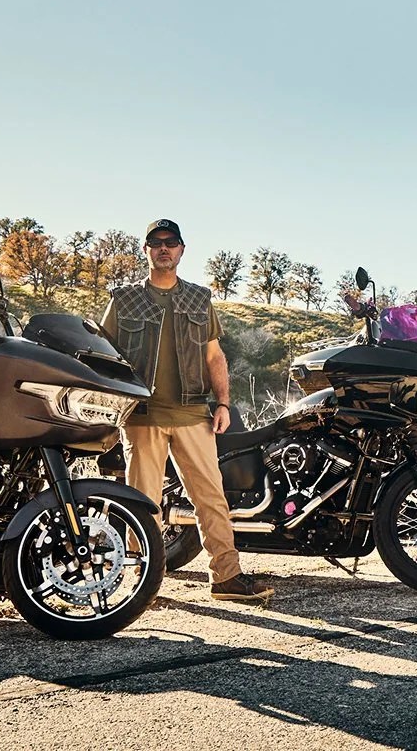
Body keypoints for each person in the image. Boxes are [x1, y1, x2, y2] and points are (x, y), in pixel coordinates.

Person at [98, 218, 271, 603]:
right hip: (142, 416)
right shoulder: (123, 299)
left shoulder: (199, 298)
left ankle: (226, 577)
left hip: (194, 414)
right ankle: (143, 581)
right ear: (145, 249)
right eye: (156, 242)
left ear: (181, 250)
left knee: (211, 498)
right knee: (143, 502)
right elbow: (105, 355)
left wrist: (223, 402)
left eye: (171, 242)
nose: (164, 248)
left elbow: (214, 356)